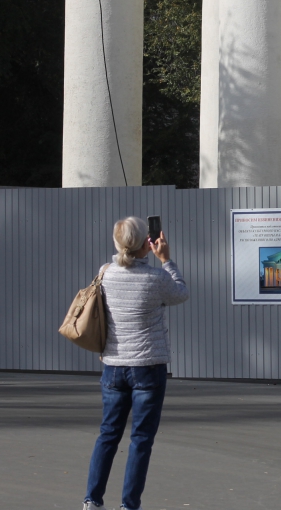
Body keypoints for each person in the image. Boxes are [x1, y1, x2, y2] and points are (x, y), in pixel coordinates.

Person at [83, 216, 189, 510]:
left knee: (108, 434)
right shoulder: (156, 278)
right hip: (148, 366)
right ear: (147, 243)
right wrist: (166, 260)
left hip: (114, 367)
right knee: (140, 439)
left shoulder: (105, 273)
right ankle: (129, 505)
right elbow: (181, 292)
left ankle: (92, 500)